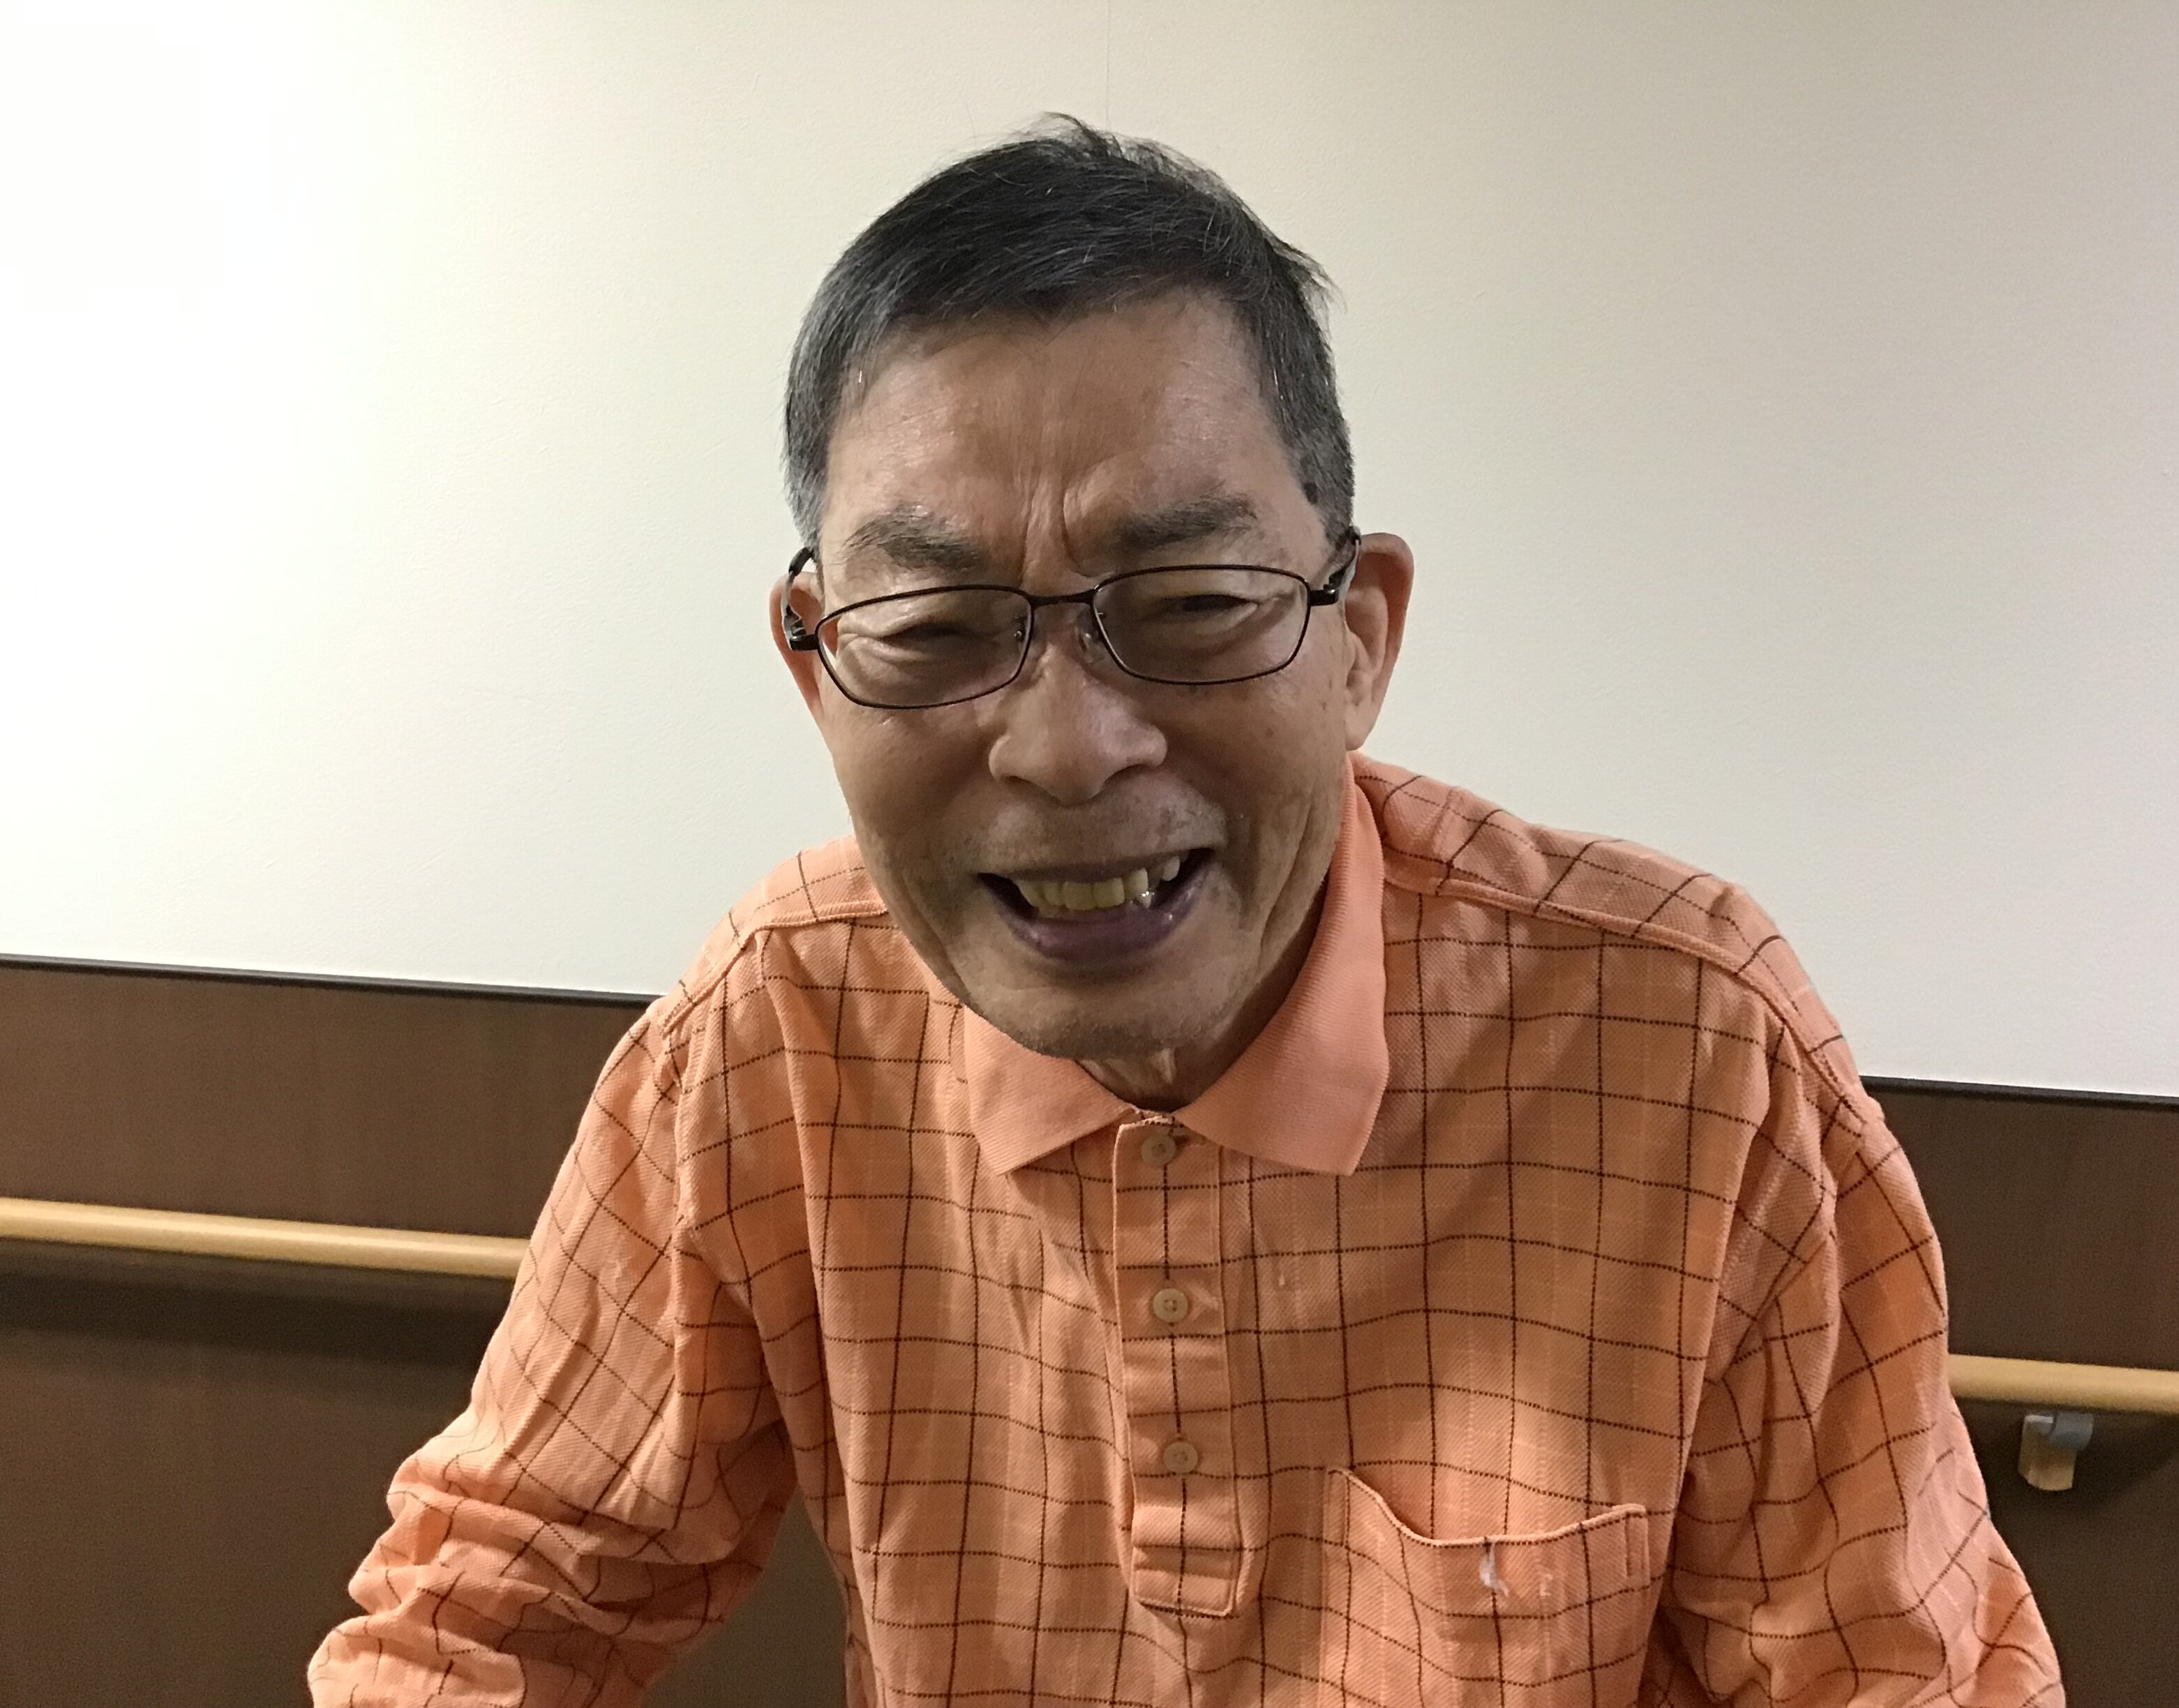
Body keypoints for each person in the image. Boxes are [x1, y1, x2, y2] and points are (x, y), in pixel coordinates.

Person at [310, 119, 2062, 1707]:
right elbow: (481, 1614)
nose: (1067, 748)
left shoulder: (1692, 1051)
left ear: (1359, 638)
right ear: (817, 668)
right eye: (934, 628)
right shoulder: (780, 1026)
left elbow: (1906, 1684)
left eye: (1194, 604)